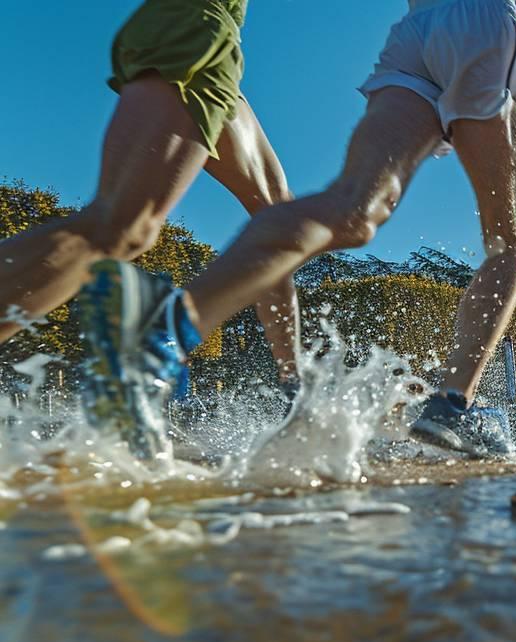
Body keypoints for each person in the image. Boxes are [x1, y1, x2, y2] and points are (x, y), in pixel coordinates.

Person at [73, 0, 516, 460]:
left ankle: (168, 330)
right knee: (505, 241)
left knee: (351, 210)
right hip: (480, 19)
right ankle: (452, 402)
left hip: (413, 34)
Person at [0, 0, 300, 391]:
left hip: (210, 41)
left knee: (280, 217)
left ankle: (294, 383)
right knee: (118, 228)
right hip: (193, 28)